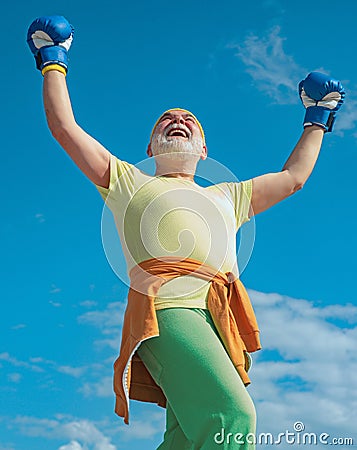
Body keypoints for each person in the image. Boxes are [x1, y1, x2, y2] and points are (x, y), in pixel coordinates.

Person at [27, 16, 345, 450]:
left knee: (188, 437)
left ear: (204, 149)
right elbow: (65, 128)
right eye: (166, 120)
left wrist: (317, 117)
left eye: (188, 120)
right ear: (150, 148)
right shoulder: (127, 181)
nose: (177, 120)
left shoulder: (229, 195)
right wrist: (52, 60)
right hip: (167, 312)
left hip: (217, 320)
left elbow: (293, 177)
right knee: (231, 416)